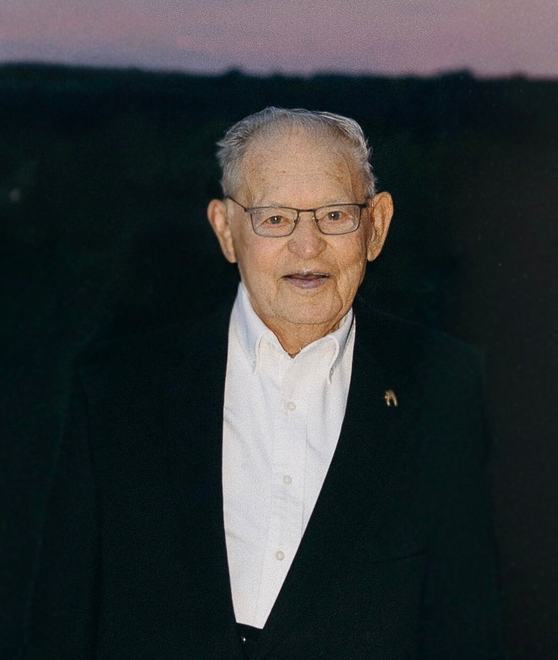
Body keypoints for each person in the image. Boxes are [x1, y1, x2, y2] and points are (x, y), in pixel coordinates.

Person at [26, 107, 503, 659]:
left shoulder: (446, 385)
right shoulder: (116, 389)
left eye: (334, 215)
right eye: (275, 219)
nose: (308, 246)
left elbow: (470, 624)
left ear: (376, 226)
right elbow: (58, 625)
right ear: (226, 230)